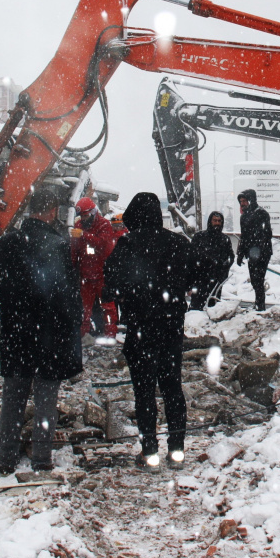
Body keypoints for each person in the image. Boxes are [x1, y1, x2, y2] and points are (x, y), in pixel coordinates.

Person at [0, 188, 83, 475]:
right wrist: (71, 332)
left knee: (13, 399)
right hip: (48, 337)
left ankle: (7, 458)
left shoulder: (3, 245)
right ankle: (41, 458)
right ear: (51, 212)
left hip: (15, 335)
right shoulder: (57, 245)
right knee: (45, 401)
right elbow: (67, 297)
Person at [103, 192, 191, 468]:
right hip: (171, 330)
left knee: (144, 392)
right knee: (172, 388)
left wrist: (128, 295)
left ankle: (149, 452)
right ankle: (176, 450)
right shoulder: (178, 243)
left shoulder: (127, 244)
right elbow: (197, 273)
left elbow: (111, 286)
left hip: (141, 332)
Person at [70, 197, 118, 338]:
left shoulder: (104, 225)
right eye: (82, 216)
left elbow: (102, 243)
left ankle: (110, 336)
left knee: (108, 308)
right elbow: (75, 251)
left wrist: (83, 235)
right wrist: (72, 268)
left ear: (93, 212)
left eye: (86, 215)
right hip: (86, 276)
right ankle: (83, 336)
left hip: (103, 275)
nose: (84, 219)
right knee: (85, 310)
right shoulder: (79, 226)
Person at [236, 189, 273, 311]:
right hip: (252, 253)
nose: (242, 204)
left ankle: (260, 305)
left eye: (244, 201)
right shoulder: (244, 216)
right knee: (255, 279)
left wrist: (258, 250)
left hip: (262, 252)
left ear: (251, 200)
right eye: (241, 201)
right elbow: (244, 236)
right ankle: (259, 303)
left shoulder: (261, 213)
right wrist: (241, 254)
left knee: (258, 278)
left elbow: (266, 234)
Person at [189, 211, 234, 310]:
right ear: (210, 221)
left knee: (213, 308)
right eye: (215, 220)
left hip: (216, 278)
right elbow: (191, 256)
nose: (217, 223)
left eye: (219, 221)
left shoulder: (225, 239)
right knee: (196, 308)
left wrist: (224, 267)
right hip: (200, 277)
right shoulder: (199, 237)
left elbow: (231, 257)